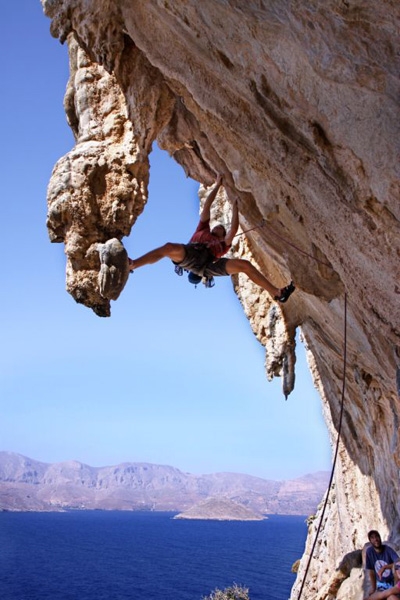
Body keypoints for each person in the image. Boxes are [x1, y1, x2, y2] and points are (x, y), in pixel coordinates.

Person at [128, 175, 295, 303]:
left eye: (220, 229)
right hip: (191, 253)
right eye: (217, 226)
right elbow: (207, 206)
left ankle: (277, 293)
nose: (217, 227)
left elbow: (234, 229)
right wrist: (218, 185)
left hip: (208, 266)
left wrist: (236, 208)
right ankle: (133, 264)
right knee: (169, 248)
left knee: (245, 265)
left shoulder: (223, 245)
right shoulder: (202, 228)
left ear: (223, 234)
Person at [365, 530, 400, 596]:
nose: (375, 539)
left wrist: (385, 567)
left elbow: (398, 563)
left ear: (380, 537)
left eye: (377, 536)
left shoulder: (388, 550)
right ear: (370, 541)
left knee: (390, 597)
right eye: (372, 538)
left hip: (393, 582)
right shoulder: (369, 552)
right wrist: (373, 587)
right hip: (381, 583)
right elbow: (371, 571)